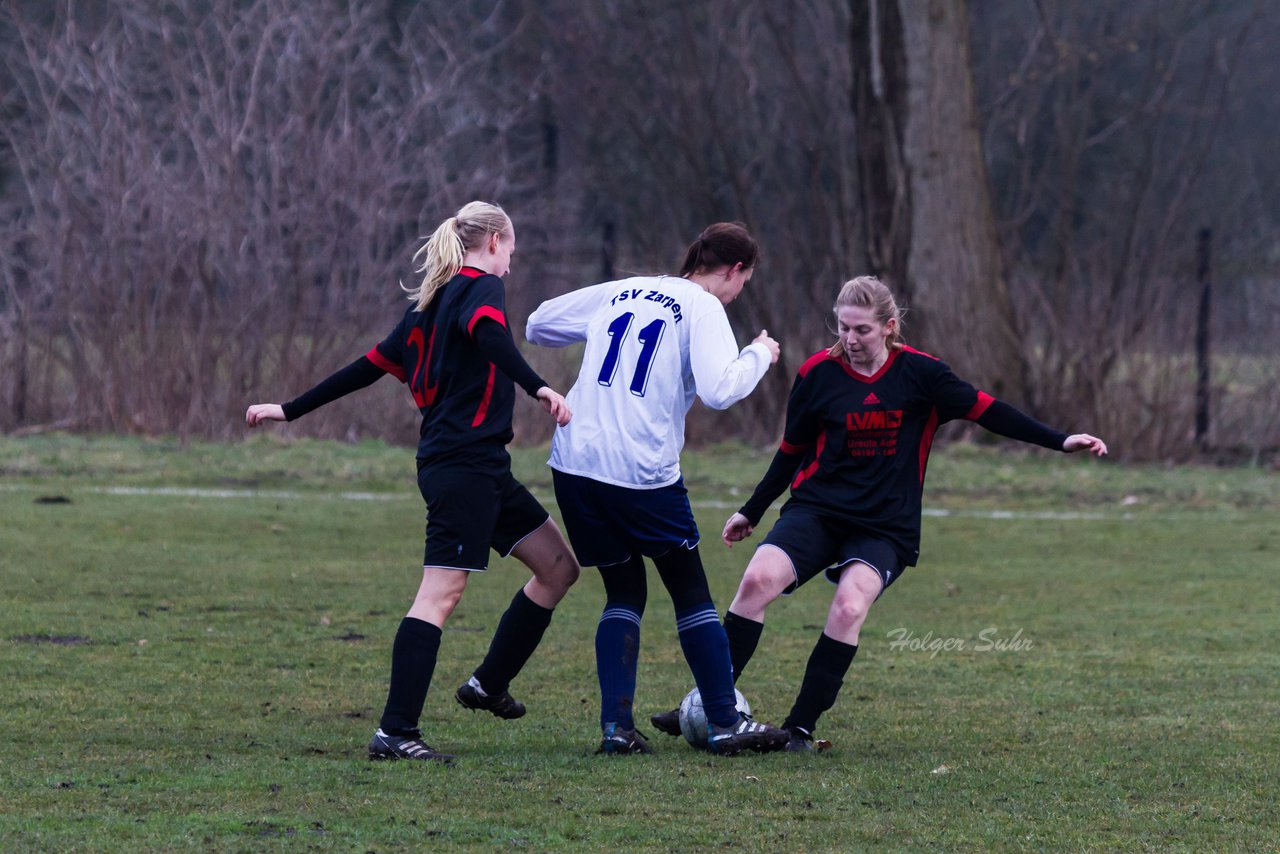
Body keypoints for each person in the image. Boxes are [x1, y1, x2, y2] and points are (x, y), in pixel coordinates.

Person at [648, 275, 1109, 750]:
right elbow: (790, 452)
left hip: (886, 525)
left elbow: (989, 411)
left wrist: (1059, 440)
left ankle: (799, 729)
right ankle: (708, 703)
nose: (849, 339)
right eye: (843, 327)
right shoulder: (816, 375)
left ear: (889, 327)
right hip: (818, 510)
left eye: (862, 330)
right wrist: (753, 510)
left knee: (849, 606)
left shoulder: (923, 375)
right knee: (756, 582)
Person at [245, 201, 581, 764]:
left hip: (481, 468)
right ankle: (396, 731)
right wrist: (539, 388)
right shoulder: (478, 288)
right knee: (440, 594)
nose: (511, 265)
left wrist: (289, 408)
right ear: (494, 243)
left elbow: (363, 368)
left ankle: (487, 684)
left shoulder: (428, 305)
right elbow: (493, 340)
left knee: (557, 568)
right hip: (462, 468)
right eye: (512, 252)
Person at [524, 222, 790, 756]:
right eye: (745, 283)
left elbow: (537, 324)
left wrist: (602, 329)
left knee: (624, 591)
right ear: (734, 270)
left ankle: (616, 730)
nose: (739, 294)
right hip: (640, 470)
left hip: (575, 462)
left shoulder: (624, 288)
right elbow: (719, 392)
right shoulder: (704, 306)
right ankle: (722, 721)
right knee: (690, 591)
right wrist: (759, 353)